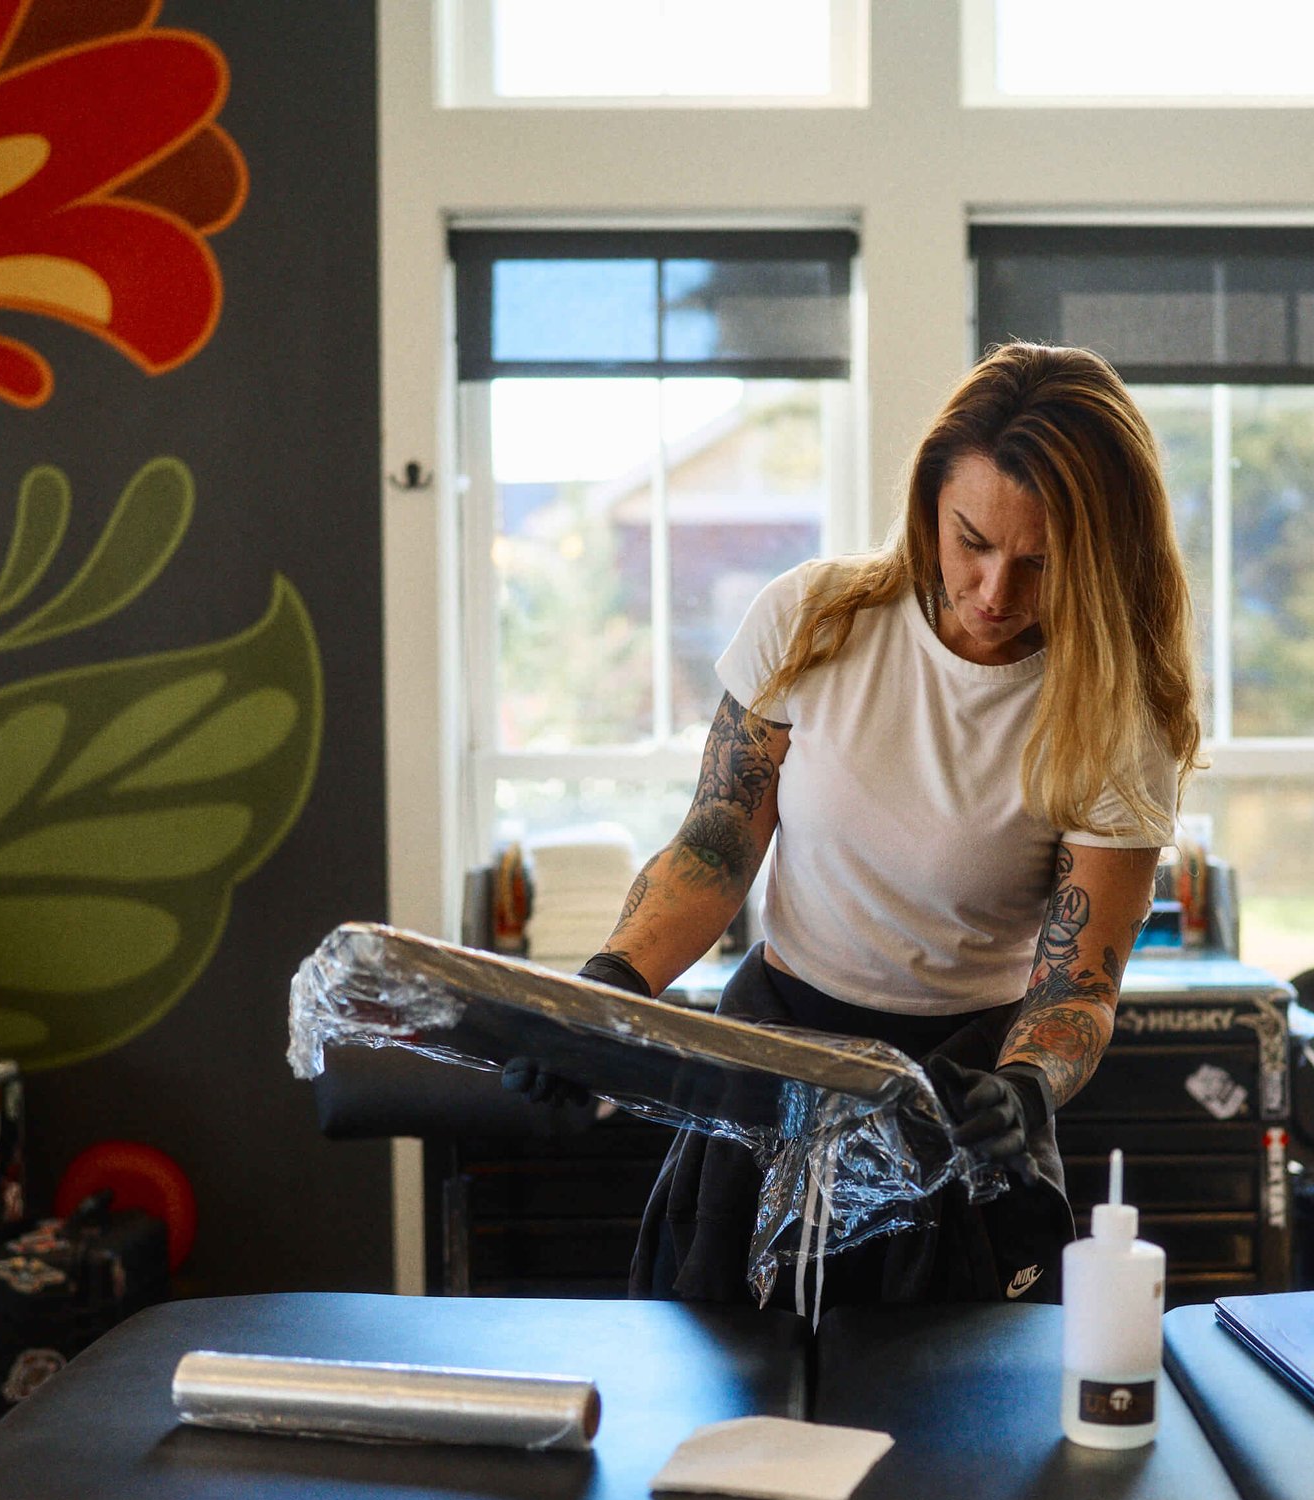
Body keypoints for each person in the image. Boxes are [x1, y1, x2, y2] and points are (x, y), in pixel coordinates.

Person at [506, 341, 1202, 1306]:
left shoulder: (1112, 713)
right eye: (973, 541)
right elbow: (718, 842)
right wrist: (610, 991)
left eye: (1041, 562)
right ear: (928, 505)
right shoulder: (813, 620)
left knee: (951, 1431)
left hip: (959, 1093)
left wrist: (1028, 1086)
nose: (996, 591)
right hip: (773, 1057)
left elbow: (1080, 979)